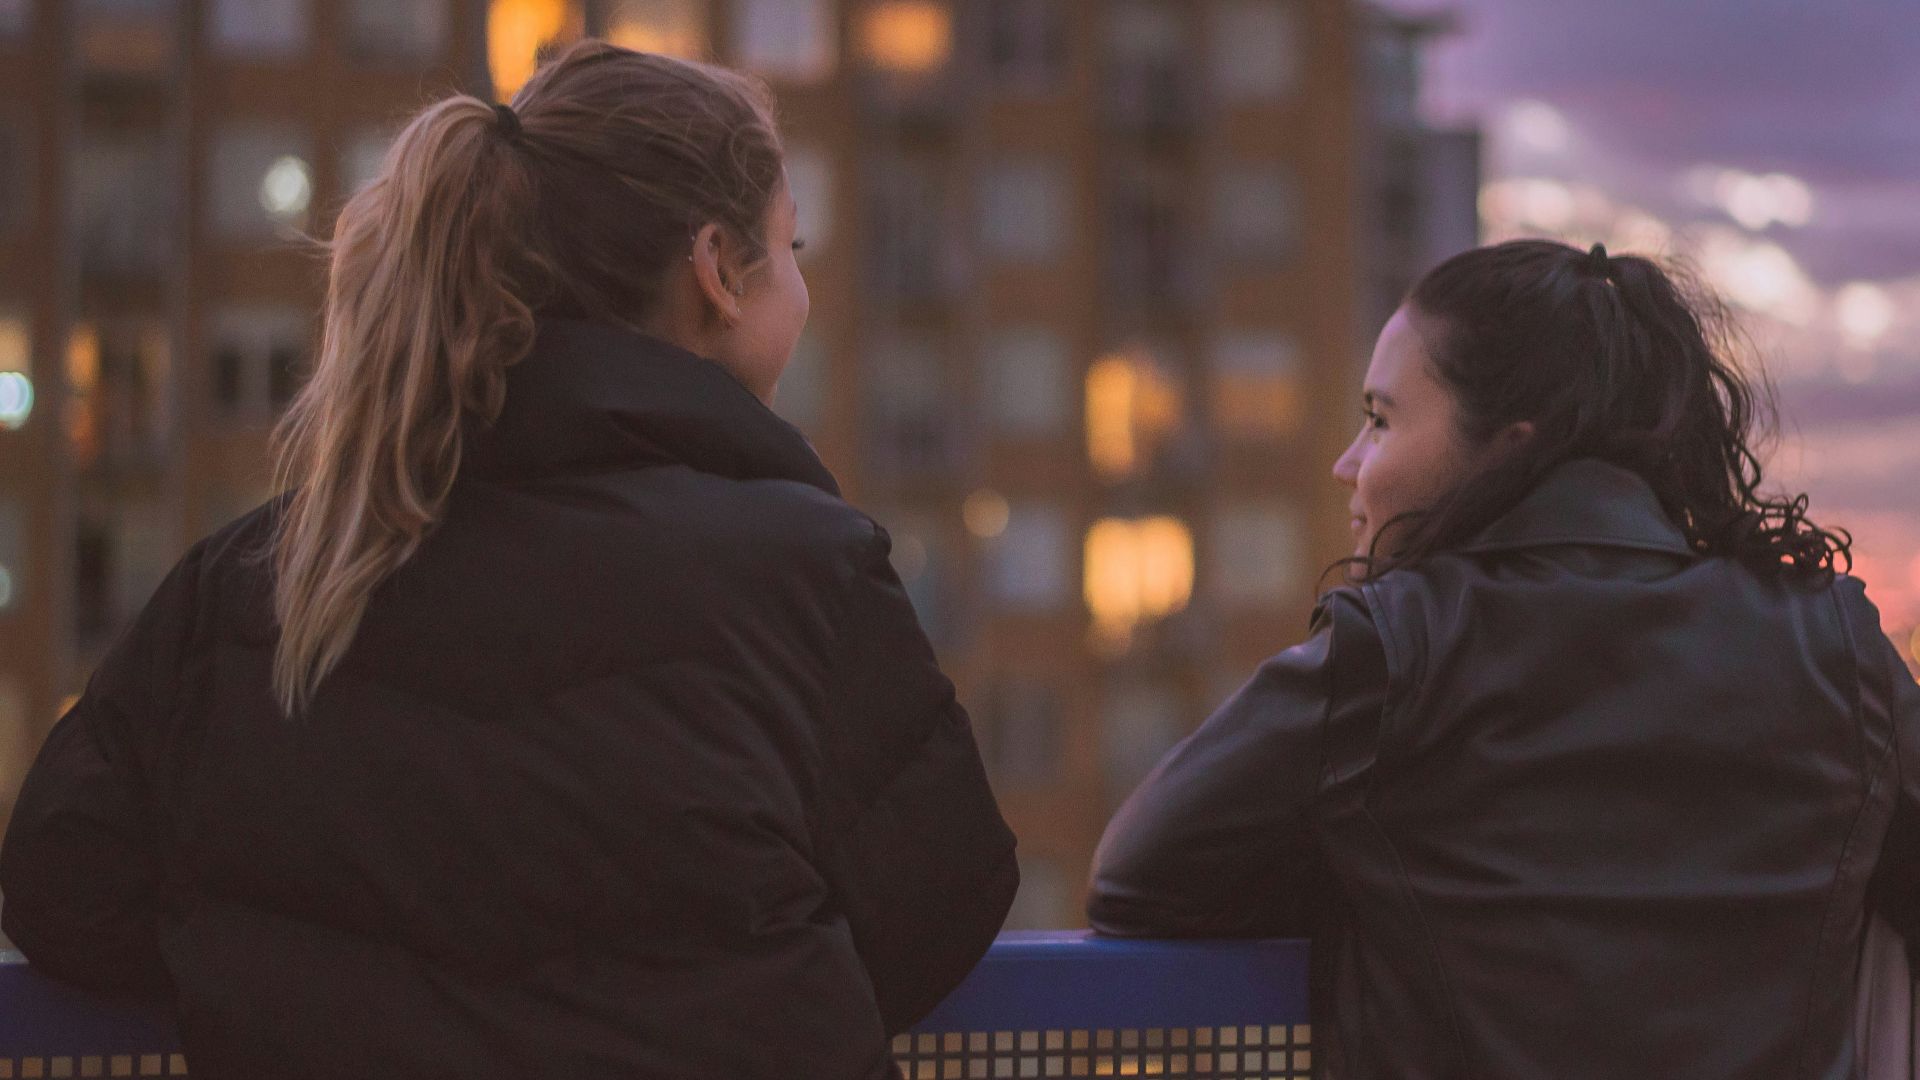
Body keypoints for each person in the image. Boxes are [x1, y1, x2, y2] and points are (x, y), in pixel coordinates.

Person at [0, 41, 1017, 1080]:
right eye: (792, 245)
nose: (802, 280)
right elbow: (947, 898)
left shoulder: (263, 578)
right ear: (716, 270)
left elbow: (62, 881)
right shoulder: (812, 578)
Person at [1088, 239, 1920, 1078]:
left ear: (1508, 448)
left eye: (1379, 420)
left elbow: (1138, 881)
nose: (1348, 464)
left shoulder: (1396, 651)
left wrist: (1378, 880)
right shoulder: (1833, 647)